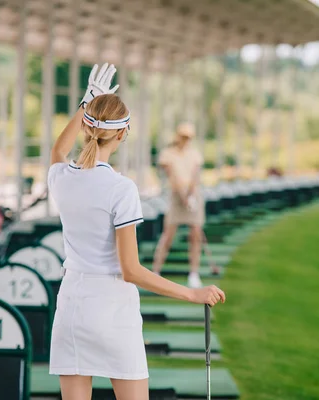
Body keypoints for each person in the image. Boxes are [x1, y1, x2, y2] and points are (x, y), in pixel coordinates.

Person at [47, 63, 226, 400]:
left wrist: (86, 103)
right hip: (113, 312)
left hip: (71, 308)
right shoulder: (122, 189)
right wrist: (192, 294)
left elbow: (58, 151)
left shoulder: (61, 177)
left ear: (87, 127)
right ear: (122, 133)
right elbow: (131, 270)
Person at [152, 122, 207, 288]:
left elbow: (195, 175)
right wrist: (182, 195)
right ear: (178, 136)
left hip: (193, 195)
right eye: (184, 136)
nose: (186, 140)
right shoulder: (168, 153)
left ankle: (194, 274)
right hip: (176, 195)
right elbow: (172, 175)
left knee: (196, 233)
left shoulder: (195, 154)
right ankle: (155, 272)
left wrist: (189, 194)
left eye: (189, 137)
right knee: (168, 234)